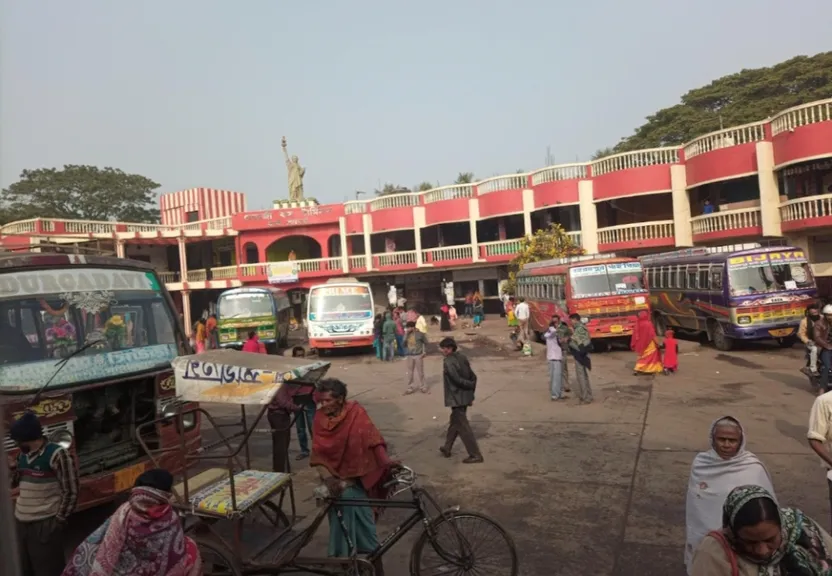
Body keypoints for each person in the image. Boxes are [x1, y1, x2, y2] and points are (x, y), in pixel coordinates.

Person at [310, 378, 396, 576]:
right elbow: (317, 453)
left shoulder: (356, 412)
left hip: (357, 481)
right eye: (321, 401)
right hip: (335, 485)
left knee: (368, 532)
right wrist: (328, 478)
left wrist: (386, 462)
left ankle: (374, 566)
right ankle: (346, 566)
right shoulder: (319, 418)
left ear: (340, 399)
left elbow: (373, 439)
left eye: (328, 401)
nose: (324, 406)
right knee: (342, 534)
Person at [62, 469, 201, 576]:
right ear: (164, 494)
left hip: (126, 570)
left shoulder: (125, 511)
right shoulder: (169, 516)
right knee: (191, 547)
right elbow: (174, 551)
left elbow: (107, 543)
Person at [685, 417, 776, 574]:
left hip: (744, 540)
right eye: (721, 439)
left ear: (741, 441)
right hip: (704, 536)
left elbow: (766, 510)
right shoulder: (701, 463)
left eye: (732, 440)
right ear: (712, 440)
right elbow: (695, 508)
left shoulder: (752, 468)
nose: (726, 445)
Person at [690, 485, 832, 576]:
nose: (762, 550)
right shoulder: (712, 554)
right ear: (733, 532)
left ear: (781, 526)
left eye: (770, 540)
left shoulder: (802, 528)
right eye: (750, 542)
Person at [10, 411, 79, 576]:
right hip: (21, 522)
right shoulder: (22, 456)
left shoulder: (57, 455)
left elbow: (71, 490)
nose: (17, 444)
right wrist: (12, 468)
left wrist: (59, 520)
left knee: (48, 569)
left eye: (19, 441)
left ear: (30, 438)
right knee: (25, 569)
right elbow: (16, 484)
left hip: (44, 524)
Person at [438, 337, 483, 464]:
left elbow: (456, 379)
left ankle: (475, 454)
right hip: (464, 396)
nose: (443, 351)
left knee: (464, 427)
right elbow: (473, 376)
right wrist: (471, 390)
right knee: (454, 422)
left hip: (456, 397)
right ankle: (447, 447)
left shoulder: (448, 362)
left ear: (450, 348)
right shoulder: (462, 357)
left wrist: (468, 386)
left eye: (444, 348)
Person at [267, 379, 316, 472]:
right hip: (279, 415)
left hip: (280, 414)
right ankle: (280, 471)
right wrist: (297, 408)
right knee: (281, 445)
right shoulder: (282, 385)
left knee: (282, 444)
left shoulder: (285, 385)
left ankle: (283, 470)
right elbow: (282, 402)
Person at [567, 313, 593, 404]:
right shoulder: (583, 327)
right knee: (584, 376)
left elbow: (577, 341)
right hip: (584, 354)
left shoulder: (578, 329)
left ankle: (585, 397)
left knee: (581, 376)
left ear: (575, 319)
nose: (571, 322)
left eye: (571, 320)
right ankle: (589, 396)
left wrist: (570, 337)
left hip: (580, 355)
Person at [631, 311, 663, 376]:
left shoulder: (637, 324)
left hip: (640, 344)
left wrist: (634, 343)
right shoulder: (648, 324)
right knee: (651, 357)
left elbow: (634, 335)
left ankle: (638, 368)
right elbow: (653, 335)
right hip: (649, 343)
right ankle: (650, 369)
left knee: (642, 357)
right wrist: (658, 343)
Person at [404, 321, 428, 394]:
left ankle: (423, 386)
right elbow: (403, 344)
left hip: (418, 355)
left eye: (409, 327)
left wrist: (424, 352)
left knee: (420, 372)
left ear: (413, 327)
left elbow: (426, 342)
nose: (408, 329)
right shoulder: (407, 335)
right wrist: (406, 335)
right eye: (407, 327)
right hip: (410, 355)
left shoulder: (420, 334)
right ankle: (410, 387)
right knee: (410, 372)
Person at [813, 304, 832, 393]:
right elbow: (817, 337)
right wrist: (828, 346)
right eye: (828, 315)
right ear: (824, 315)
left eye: (831, 314)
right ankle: (822, 388)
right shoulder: (819, 323)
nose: (830, 317)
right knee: (827, 367)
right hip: (825, 348)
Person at [543, 320, 564, 400]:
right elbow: (553, 331)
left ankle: (556, 393)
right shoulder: (552, 333)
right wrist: (555, 327)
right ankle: (556, 395)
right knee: (556, 377)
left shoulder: (548, 334)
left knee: (553, 377)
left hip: (551, 358)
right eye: (558, 324)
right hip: (555, 358)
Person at [800, 303, 821, 377]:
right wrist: (808, 341)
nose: (814, 314)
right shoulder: (804, 321)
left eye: (816, 312)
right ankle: (812, 369)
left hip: (824, 340)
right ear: (808, 312)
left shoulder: (823, 318)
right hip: (811, 342)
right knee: (814, 349)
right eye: (812, 313)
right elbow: (801, 334)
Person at [556, 317, 573, 393]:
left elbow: (571, 334)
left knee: (564, 368)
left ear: (559, 321)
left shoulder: (564, 328)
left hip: (563, 350)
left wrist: (566, 338)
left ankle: (566, 385)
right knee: (557, 369)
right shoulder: (551, 329)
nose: (555, 323)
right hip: (555, 352)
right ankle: (559, 385)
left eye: (556, 321)